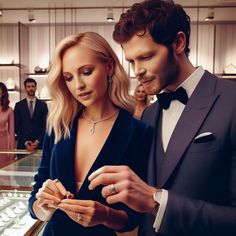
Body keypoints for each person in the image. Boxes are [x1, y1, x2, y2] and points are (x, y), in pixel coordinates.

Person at [88, 1, 236, 236]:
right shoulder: (149, 114)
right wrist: (105, 214)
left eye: (146, 57)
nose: (137, 71)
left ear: (178, 43)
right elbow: (138, 206)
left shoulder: (231, 102)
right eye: (131, 61)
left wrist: (158, 202)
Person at [28, 31, 152, 236]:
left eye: (86, 72)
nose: (78, 85)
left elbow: (135, 215)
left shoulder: (139, 132)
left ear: (109, 67)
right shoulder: (59, 125)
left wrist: (105, 215)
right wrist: (43, 207)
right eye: (68, 78)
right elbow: (36, 198)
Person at [14, 78, 48, 151]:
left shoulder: (43, 105)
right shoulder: (18, 105)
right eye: (28, 86)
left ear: (36, 87)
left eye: (33, 86)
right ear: (25, 88)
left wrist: (37, 141)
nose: (31, 88)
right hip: (23, 145)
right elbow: (16, 126)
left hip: (40, 145)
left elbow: (46, 125)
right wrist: (25, 142)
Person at [0, 82, 15, 165]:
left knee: (3, 170)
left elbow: (11, 132)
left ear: (3, 94)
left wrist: (12, 150)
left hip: (3, 143)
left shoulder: (9, 110)